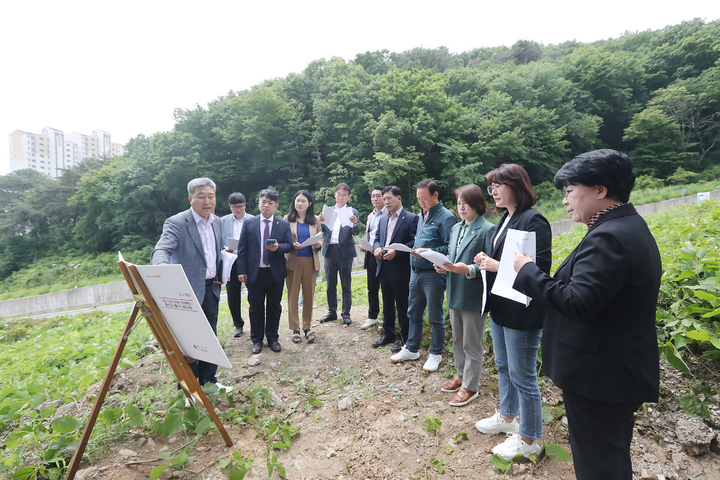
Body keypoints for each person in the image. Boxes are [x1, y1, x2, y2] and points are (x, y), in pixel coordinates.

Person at [512, 150, 661, 480]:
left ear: (600, 190)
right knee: (608, 459)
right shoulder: (625, 227)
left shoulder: (610, 237)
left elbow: (579, 302)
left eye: (569, 190)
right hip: (611, 373)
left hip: (601, 378)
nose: (565, 200)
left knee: (598, 466)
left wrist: (528, 271)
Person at [473, 163, 551, 461]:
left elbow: (538, 269)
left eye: (497, 186)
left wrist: (497, 266)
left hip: (522, 310)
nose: (493, 192)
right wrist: (487, 259)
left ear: (516, 186)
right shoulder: (508, 218)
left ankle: (530, 438)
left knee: (523, 375)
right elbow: (504, 258)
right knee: (505, 367)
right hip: (501, 307)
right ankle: (507, 417)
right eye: (491, 187)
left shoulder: (534, 220)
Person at [151, 177, 233, 398]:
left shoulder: (217, 222)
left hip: (211, 290)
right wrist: (162, 270)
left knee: (210, 337)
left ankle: (209, 382)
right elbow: (162, 250)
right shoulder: (177, 222)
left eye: (211, 196)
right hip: (185, 292)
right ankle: (188, 390)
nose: (207, 201)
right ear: (190, 199)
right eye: (201, 196)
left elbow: (213, 252)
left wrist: (220, 270)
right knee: (188, 343)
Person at [435, 185, 496, 407]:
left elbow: (490, 266)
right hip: (454, 291)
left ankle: (470, 387)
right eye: (459, 203)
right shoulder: (456, 229)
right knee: (458, 340)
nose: (461, 208)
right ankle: (460, 375)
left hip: (473, 293)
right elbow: (453, 258)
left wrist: (468, 269)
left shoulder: (488, 229)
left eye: (466, 203)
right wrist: (444, 266)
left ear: (477, 204)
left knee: (472, 343)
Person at [391, 179, 456, 368]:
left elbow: (449, 247)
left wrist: (428, 252)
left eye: (424, 198)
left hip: (433, 274)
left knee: (435, 316)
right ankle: (412, 348)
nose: (421, 202)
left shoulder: (446, 217)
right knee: (413, 312)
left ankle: (436, 353)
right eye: (419, 199)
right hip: (415, 272)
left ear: (436, 195)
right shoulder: (422, 214)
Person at [235, 189, 293, 354]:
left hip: (275, 273)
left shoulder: (283, 224)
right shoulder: (249, 223)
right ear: (259, 203)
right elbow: (242, 249)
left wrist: (278, 247)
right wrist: (241, 271)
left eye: (270, 203)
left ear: (276, 206)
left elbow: (289, 245)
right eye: (263, 202)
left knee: (275, 307)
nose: (266, 205)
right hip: (255, 273)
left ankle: (273, 338)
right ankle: (257, 340)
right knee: (255, 308)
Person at [371, 186, 418, 350]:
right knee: (387, 301)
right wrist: (376, 248)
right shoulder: (383, 219)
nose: (386, 202)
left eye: (389, 198)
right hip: (383, 265)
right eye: (384, 199)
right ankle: (388, 333)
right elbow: (377, 238)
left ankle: (404, 335)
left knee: (403, 303)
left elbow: (414, 242)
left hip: (400, 267)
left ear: (399, 198)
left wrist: (396, 252)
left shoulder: (411, 218)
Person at [318, 183, 360, 325]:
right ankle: (331, 311)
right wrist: (320, 220)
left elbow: (356, 232)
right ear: (335, 195)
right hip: (330, 250)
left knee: (346, 284)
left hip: (345, 251)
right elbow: (322, 229)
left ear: (348, 197)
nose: (341, 197)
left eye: (344, 195)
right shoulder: (328, 211)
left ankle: (346, 313)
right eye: (339, 194)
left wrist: (354, 223)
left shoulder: (352, 211)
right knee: (330, 284)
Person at [284, 190, 323, 344]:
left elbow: (321, 238)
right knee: (293, 296)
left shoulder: (315, 220)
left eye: (303, 201)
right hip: (293, 261)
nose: (299, 203)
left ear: (309, 204)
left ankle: (307, 327)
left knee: (308, 296)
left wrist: (319, 244)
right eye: (297, 200)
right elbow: (283, 241)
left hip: (310, 262)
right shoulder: (287, 219)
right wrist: (292, 245)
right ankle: (295, 329)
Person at [221, 192, 254, 338]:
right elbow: (218, 241)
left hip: (248, 260)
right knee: (232, 293)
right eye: (234, 207)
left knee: (253, 292)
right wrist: (225, 249)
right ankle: (238, 324)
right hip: (231, 260)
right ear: (230, 207)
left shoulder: (253, 220)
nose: (238, 210)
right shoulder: (223, 221)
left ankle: (256, 321)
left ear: (245, 205)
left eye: (240, 206)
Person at [360, 185, 386, 330]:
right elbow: (368, 234)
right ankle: (372, 316)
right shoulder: (370, 215)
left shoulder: (388, 213)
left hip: (383, 255)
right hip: (370, 255)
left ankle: (388, 317)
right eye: (373, 196)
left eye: (378, 195)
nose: (375, 198)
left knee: (386, 288)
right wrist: (364, 243)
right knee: (372, 287)